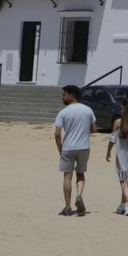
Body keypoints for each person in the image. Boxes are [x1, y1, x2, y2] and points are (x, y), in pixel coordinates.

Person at [53, 84, 96, 216]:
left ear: (72, 96)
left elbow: (57, 133)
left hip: (68, 147)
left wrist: (60, 147)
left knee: (67, 175)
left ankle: (67, 207)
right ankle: (79, 196)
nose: (62, 97)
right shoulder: (88, 110)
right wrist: (84, 132)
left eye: (64, 95)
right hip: (83, 147)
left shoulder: (63, 112)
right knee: (81, 174)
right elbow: (94, 129)